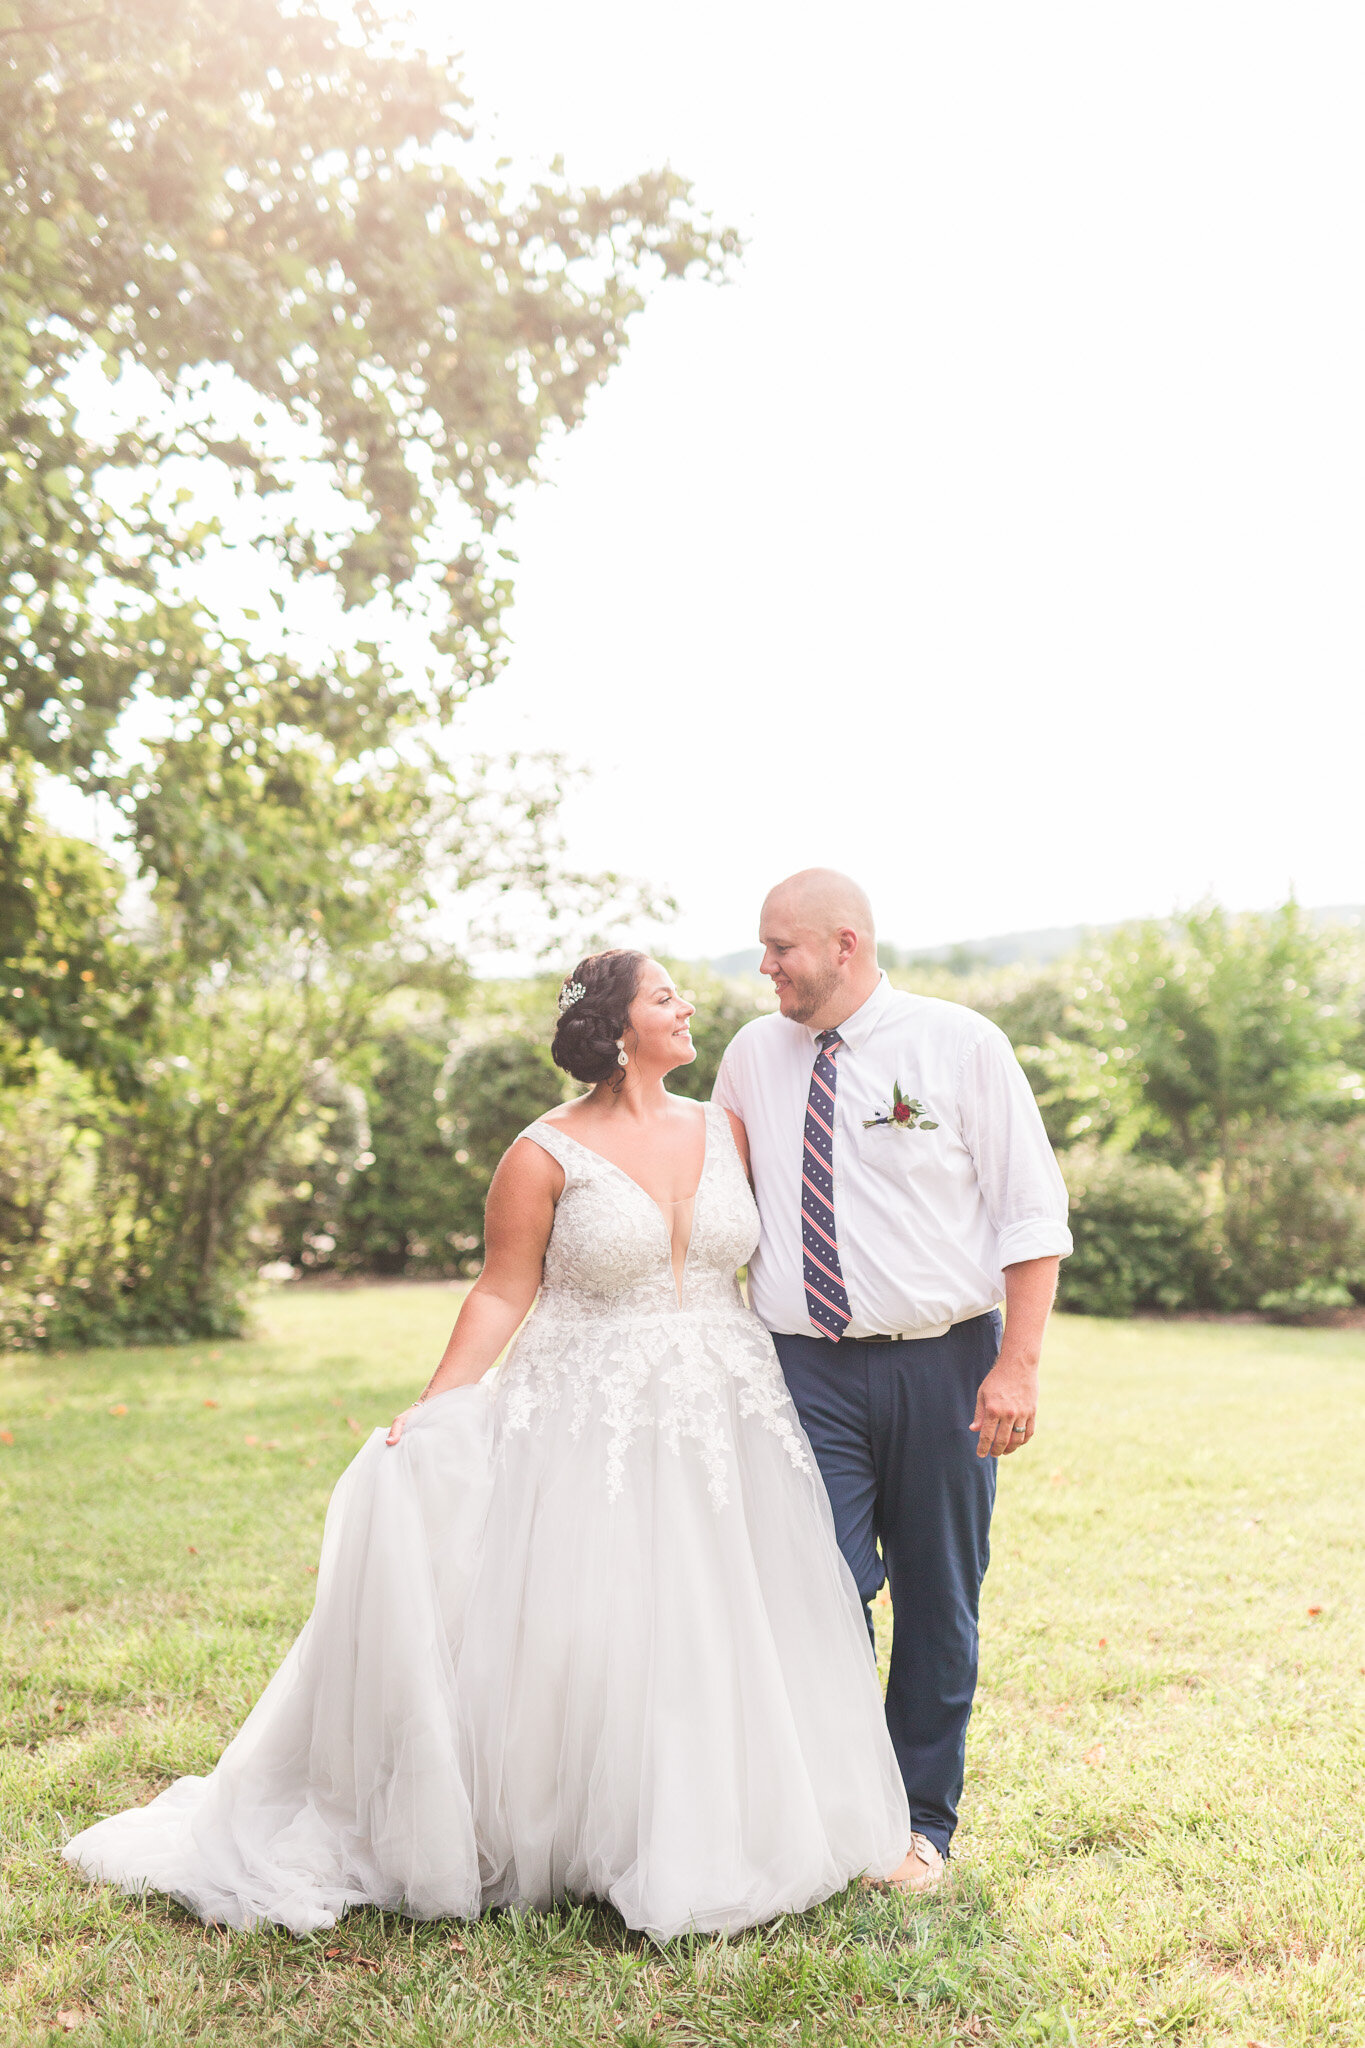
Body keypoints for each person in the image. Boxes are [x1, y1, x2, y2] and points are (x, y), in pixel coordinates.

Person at [64, 950, 915, 1939]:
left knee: (721, 1611)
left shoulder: (723, 1125)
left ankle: (719, 1817)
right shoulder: (542, 1151)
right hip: (585, 1414)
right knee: (591, 1617)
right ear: (614, 1026)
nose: (686, 1004)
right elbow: (503, 1288)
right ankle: (570, 1824)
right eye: (662, 994)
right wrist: (434, 1405)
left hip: (726, 1407)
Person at [713, 871, 1072, 1893]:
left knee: (937, 1594)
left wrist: (1018, 1364)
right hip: (801, 1364)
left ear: (846, 941)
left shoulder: (958, 1044)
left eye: (781, 947)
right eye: (762, 949)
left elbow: (1030, 1215)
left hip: (946, 1361)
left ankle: (919, 1826)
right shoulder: (750, 1055)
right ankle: (827, 1808)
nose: (766, 967)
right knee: (815, 1586)